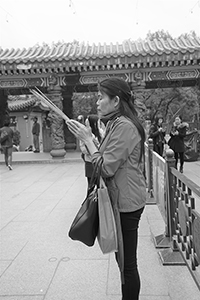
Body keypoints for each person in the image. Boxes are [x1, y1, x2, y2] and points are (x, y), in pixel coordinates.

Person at [66, 77, 146, 300]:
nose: (98, 103)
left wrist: (89, 140)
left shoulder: (126, 127)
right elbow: (101, 157)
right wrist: (88, 142)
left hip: (127, 202)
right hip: (119, 198)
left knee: (127, 266)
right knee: (123, 262)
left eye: (101, 98)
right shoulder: (116, 124)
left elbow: (107, 167)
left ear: (116, 101)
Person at [79, 114, 103, 186]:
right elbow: (82, 148)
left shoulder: (101, 132)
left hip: (99, 161)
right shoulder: (85, 133)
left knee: (100, 184)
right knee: (91, 184)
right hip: (89, 161)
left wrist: (97, 146)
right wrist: (91, 150)